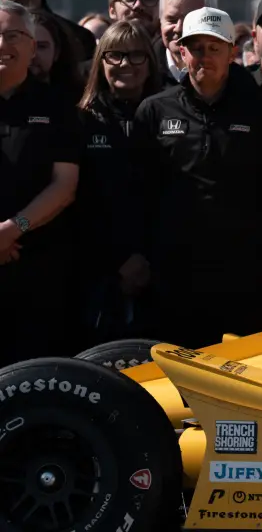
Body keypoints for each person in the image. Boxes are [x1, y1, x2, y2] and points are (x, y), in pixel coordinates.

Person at [131, 7, 262, 346]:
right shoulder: (154, 110)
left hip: (247, 274)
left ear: (232, 52)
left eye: (214, 47)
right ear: (181, 52)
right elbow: (138, 191)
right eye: (196, 48)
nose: (204, 56)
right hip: (175, 275)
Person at [0, 0, 81, 366]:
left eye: (13, 35)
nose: (3, 45)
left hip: (37, 276)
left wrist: (11, 230)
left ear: (32, 47)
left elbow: (64, 186)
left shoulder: (58, 106)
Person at [73, 20, 159, 342]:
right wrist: (119, 262)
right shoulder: (81, 120)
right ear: (100, 62)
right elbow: (79, 202)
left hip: (159, 268)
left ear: (150, 63)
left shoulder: (168, 117)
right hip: (96, 273)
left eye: (137, 56)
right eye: (116, 56)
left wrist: (146, 258)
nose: (126, 64)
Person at [156, 0, 218, 87]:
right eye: (171, 20)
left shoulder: (232, 77)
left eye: (189, 20)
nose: (178, 29)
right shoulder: (141, 73)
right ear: (160, 21)